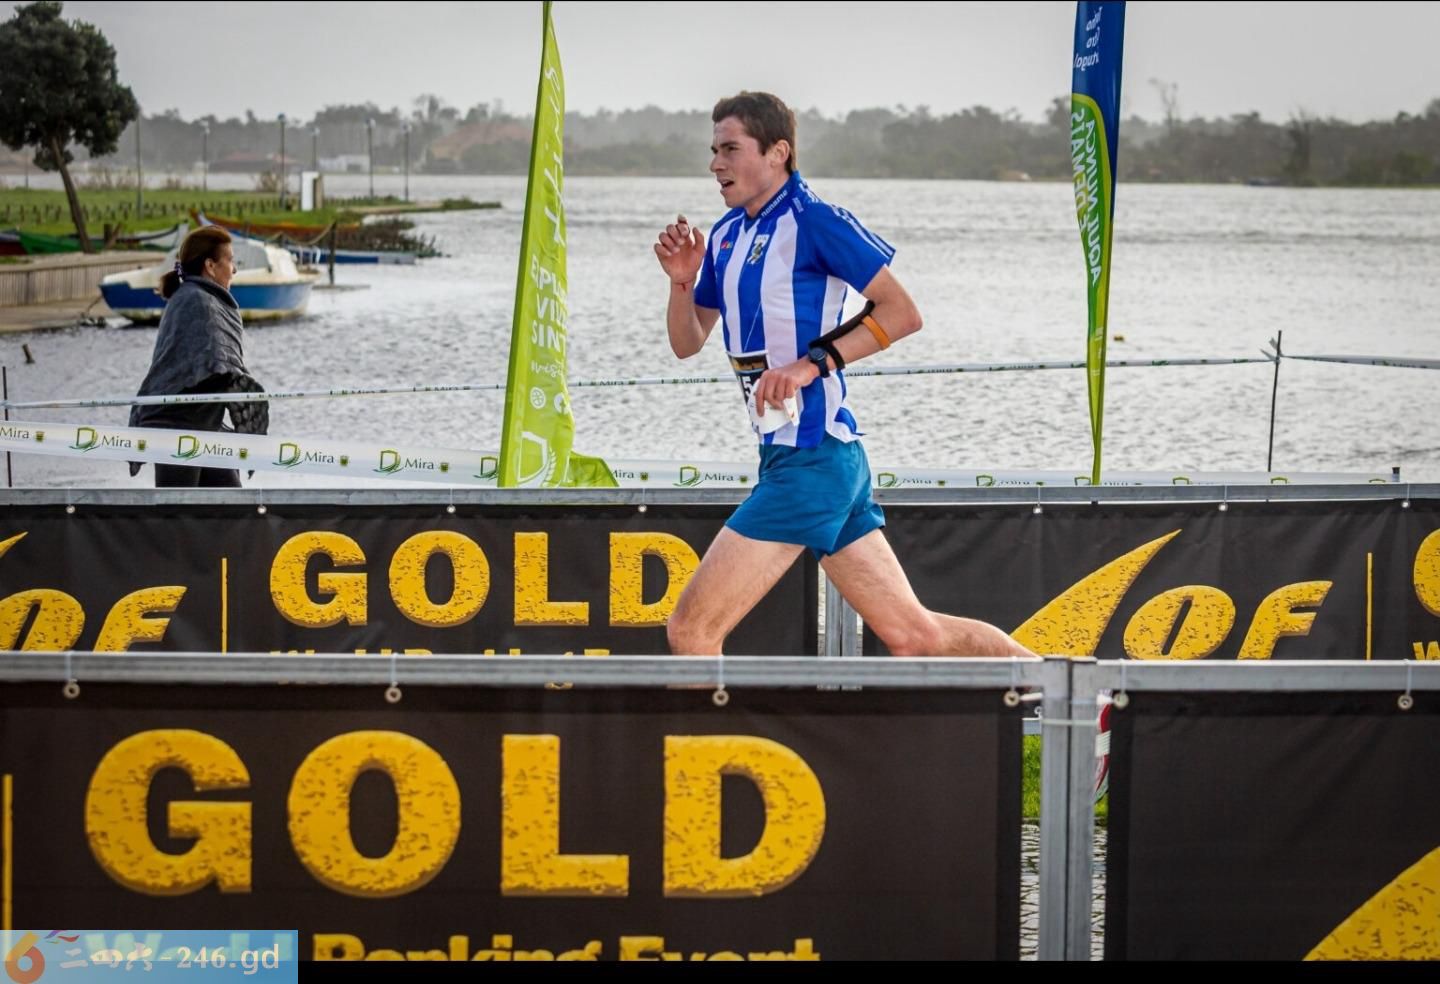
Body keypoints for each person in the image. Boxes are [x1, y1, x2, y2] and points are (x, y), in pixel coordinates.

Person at [653, 91, 1032, 659]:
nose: (715, 164)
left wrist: (811, 365)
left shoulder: (815, 220)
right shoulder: (727, 234)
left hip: (812, 463)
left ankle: (716, 744)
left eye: (730, 149)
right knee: (916, 637)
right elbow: (687, 343)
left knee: (692, 631)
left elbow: (902, 313)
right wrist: (682, 283)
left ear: (778, 152)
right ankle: (1075, 689)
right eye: (713, 150)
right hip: (813, 459)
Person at [130, 226, 268, 487]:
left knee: (232, 505)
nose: (234, 270)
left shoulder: (198, 297)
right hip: (176, 427)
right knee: (178, 508)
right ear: (210, 266)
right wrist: (246, 388)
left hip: (206, 424)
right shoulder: (196, 302)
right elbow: (215, 363)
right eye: (230, 261)